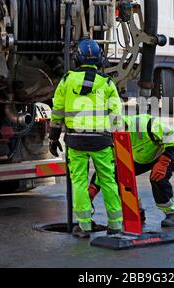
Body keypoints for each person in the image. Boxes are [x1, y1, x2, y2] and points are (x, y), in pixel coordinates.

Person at [49, 38, 123, 238]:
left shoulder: (67, 80)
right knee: (108, 181)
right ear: (100, 59)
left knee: (79, 182)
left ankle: (84, 226)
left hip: (76, 142)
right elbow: (117, 116)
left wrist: (53, 138)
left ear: (77, 59)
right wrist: (118, 143)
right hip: (102, 142)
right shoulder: (107, 83)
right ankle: (115, 225)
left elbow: (57, 111)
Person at [90, 114, 174, 227]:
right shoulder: (109, 140)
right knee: (119, 176)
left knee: (158, 178)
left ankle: (171, 213)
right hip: (140, 157)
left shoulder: (145, 124)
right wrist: (93, 187)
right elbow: (106, 168)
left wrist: (163, 162)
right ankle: (136, 211)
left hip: (165, 152)